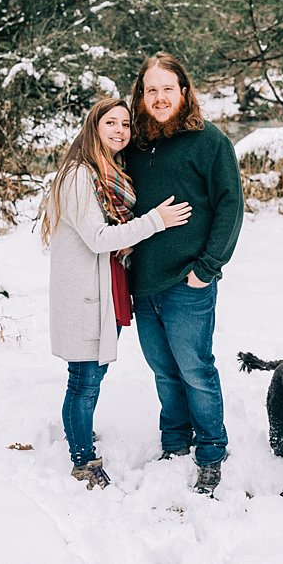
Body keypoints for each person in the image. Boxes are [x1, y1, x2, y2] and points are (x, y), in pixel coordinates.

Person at [41, 97, 192, 489]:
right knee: (84, 379)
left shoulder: (110, 172)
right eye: (111, 122)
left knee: (92, 375)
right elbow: (98, 238)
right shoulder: (78, 175)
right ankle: (82, 461)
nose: (120, 130)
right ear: (94, 126)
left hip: (110, 289)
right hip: (85, 294)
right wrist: (155, 221)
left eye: (126, 124)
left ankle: (79, 431)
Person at [126, 52, 244, 496]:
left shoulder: (209, 141)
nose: (158, 97)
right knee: (162, 370)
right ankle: (175, 442)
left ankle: (212, 450)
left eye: (166, 89)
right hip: (144, 282)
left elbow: (231, 205)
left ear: (184, 92)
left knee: (195, 368)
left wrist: (207, 267)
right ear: (141, 96)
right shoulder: (135, 145)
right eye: (150, 90)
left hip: (188, 281)